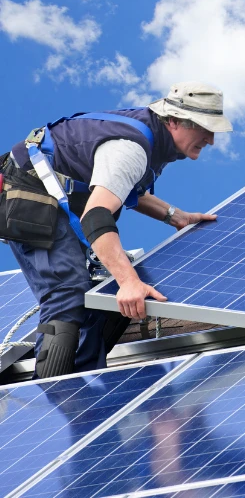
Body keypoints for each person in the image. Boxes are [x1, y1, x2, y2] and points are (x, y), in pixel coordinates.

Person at [0, 82, 232, 378]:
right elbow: (96, 215)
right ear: (173, 121)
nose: (210, 139)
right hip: (27, 196)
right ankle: (53, 389)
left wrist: (175, 216)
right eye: (204, 128)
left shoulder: (150, 140)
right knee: (68, 290)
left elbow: (123, 187)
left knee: (102, 295)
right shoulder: (131, 148)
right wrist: (128, 281)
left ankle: (82, 382)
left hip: (53, 197)